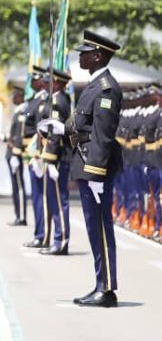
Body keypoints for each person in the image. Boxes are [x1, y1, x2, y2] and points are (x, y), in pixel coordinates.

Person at [67, 30, 122, 308]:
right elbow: (81, 125)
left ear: (98, 55)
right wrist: (58, 129)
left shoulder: (106, 88)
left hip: (95, 169)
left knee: (101, 228)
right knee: (93, 228)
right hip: (87, 165)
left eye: (84, 52)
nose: (80, 56)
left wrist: (97, 172)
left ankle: (107, 289)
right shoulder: (93, 86)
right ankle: (101, 284)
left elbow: (103, 135)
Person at [37, 68, 72, 255]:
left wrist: (50, 160)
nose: (45, 85)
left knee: (59, 202)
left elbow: (55, 134)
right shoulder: (56, 99)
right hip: (54, 157)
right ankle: (58, 240)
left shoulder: (58, 101)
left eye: (48, 82)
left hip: (58, 157)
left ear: (57, 83)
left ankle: (61, 241)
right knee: (54, 201)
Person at [22, 68, 48, 249]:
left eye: (35, 79)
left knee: (42, 199)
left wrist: (39, 154)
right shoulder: (33, 101)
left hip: (39, 154)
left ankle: (43, 235)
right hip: (31, 154)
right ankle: (39, 234)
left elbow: (41, 129)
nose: (31, 82)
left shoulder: (44, 101)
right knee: (37, 198)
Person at [5, 84, 28, 226]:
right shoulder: (17, 112)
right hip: (12, 153)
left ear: (21, 96)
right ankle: (17, 215)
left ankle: (22, 217)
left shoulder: (21, 113)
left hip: (15, 154)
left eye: (15, 95)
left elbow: (19, 136)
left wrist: (15, 153)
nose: (13, 97)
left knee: (19, 186)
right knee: (15, 186)